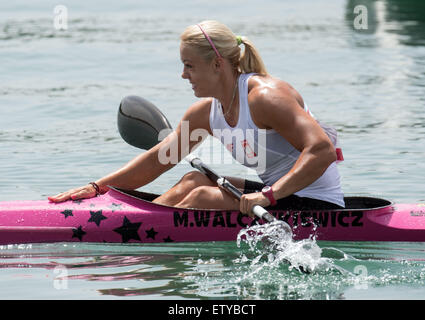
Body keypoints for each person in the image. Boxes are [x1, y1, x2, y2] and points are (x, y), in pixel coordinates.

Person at [49, 20, 345, 214]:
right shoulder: (206, 113)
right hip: (275, 199)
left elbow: (321, 150)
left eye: (189, 65)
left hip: (318, 205)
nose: (183, 74)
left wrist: (268, 195)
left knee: (202, 197)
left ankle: (139, 242)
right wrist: (98, 187)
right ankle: (130, 227)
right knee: (192, 181)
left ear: (217, 64)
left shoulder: (265, 97)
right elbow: (158, 160)